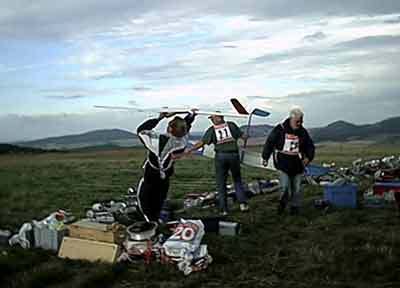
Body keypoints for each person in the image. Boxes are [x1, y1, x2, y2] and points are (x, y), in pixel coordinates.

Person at [136, 111, 196, 222]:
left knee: (145, 198)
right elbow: (185, 127)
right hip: (165, 176)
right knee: (159, 197)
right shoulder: (182, 142)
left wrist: (159, 118)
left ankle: (149, 220)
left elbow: (141, 130)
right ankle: (156, 217)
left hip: (151, 174)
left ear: (169, 129)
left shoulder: (157, 141)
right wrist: (191, 115)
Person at [186, 113, 249, 215]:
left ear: (219, 117)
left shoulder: (212, 130)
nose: (212, 120)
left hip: (221, 156)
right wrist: (245, 136)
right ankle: (243, 204)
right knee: (237, 180)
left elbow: (202, 142)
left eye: (213, 118)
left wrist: (191, 149)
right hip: (234, 155)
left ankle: (223, 209)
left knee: (221, 182)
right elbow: (243, 136)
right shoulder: (232, 125)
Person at [262, 108, 315, 215]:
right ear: (291, 119)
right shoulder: (279, 129)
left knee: (297, 189)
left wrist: (308, 158)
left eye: (301, 121)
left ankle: (294, 209)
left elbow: (310, 146)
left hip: (297, 165)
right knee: (285, 187)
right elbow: (270, 143)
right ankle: (282, 204)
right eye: (297, 121)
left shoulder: (302, 132)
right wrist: (265, 157)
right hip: (283, 163)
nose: (300, 123)